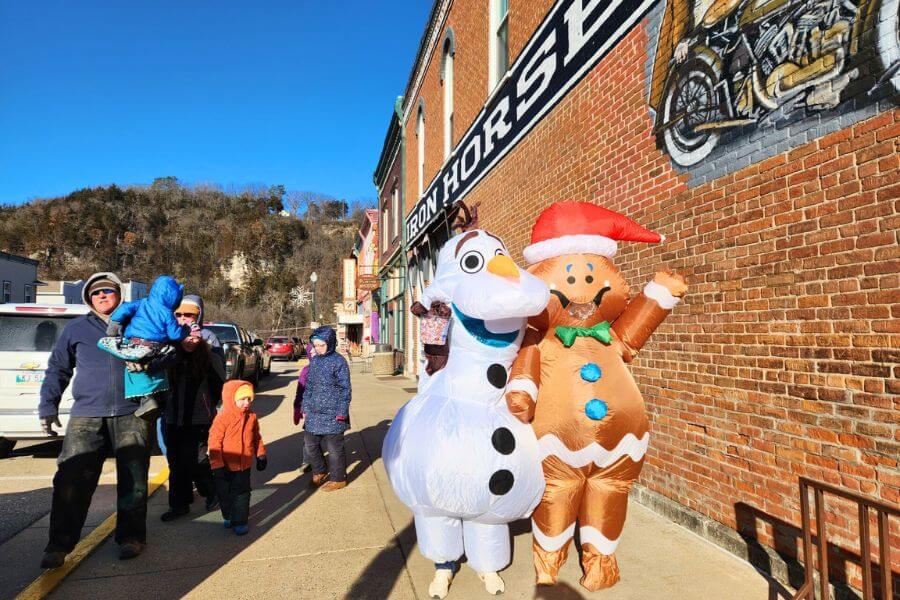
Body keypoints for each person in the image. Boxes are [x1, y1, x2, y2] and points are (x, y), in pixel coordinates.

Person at [38, 272, 154, 567]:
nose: (102, 296)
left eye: (108, 291)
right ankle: (58, 545)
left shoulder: (137, 326)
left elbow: (161, 361)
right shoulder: (76, 329)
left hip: (132, 413)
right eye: (96, 293)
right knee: (71, 479)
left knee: (134, 481)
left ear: (119, 295)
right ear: (88, 299)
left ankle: (131, 537)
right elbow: (57, 369)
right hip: (86, 415)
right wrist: (47, 406)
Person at [159, 295, 226, 522]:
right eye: (178, 314)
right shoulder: (167, 343)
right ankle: (179, 504)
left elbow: (219, 383)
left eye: (189, 315)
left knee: (196, 460)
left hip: (198, 417)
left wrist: (209, 406)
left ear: (198, 316)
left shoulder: (208, 345)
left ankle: (213, 492)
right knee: (175, 462)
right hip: (171, 415)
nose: (184, 319)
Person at [103, 275, 196, 420]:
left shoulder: (142, 303)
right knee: (152, 371)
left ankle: (145, 400)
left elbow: (125, 308)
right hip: (155, 347)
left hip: (133, 343)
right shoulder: (167, 313)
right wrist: (186, 330)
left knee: (134, 371)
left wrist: (114, 323)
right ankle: (151, 399)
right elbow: (175, 334)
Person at [209, 380, 267, 535]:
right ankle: (228, 515)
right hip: (225, 465)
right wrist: (217, 465)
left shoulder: (251, 417)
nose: (246, 403)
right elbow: (214, 443)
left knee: (242, 493)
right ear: (231, 398)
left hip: (244, 465)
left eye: (249, 399)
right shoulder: (223, 418)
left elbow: (256, 438)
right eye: (242, 399)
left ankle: (240, 521)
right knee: (224, 492)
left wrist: (260, 454)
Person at [301, 326, 351, 492]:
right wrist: (305, 406)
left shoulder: (339, 362)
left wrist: (342, 412)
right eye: (315, 346)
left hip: (333, 414)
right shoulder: (314, 361)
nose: (318, 349)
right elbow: (309, 387)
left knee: (335, 450)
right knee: (310, 445)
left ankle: (339, 478)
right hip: (314, 413)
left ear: (330, 343)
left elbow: (345, 389)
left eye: (322, 345)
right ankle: (320, 470)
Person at [292, 341, 314, 472]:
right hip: (309, 410)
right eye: (311, 350)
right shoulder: (306, 371)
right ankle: (307, 461)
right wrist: (297, 408)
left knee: (328, 438)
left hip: (327, 411)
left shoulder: (331, 368)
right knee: (309, 437)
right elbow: (299, 391)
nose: (312, 352)